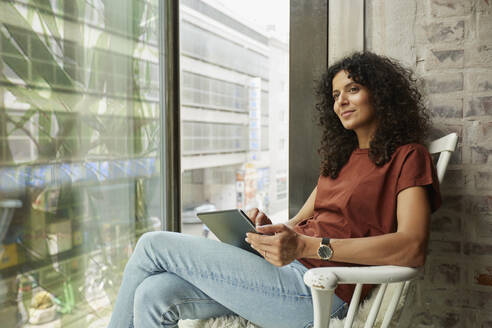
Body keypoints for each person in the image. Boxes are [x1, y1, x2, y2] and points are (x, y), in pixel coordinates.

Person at [107, 51, 441, 328]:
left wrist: (310, 247)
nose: (341, 102)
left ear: (381, 94)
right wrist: (269, 229)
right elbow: (299, 223)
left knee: (152, 244)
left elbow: (411, 247)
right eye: (336, 95)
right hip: (285, 273)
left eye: (352, 89)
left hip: (323, 291)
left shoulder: (409, 157)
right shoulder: (339, 161)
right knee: (154, 293)